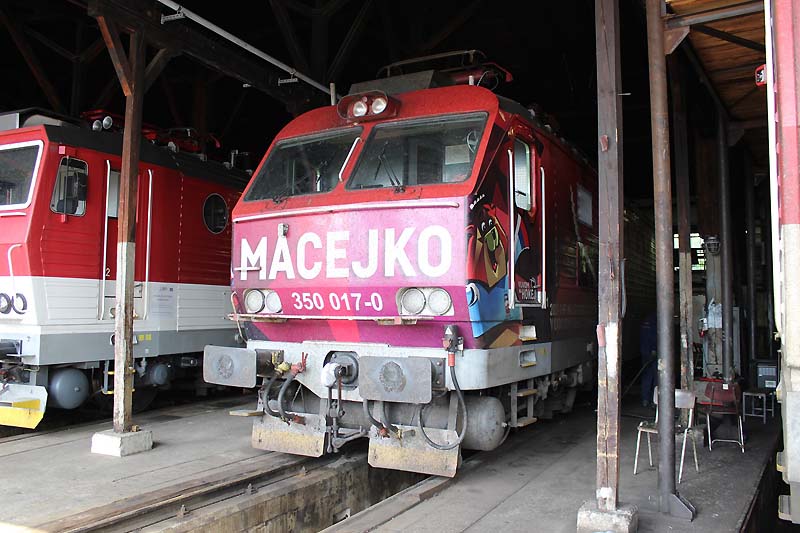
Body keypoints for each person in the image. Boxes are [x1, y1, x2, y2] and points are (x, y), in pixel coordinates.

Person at [640, 312, 658, 407]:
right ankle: (653, 401)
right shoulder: (655, 321)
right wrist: (654, 349)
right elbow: (654, 336)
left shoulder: (645, 322)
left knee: (647, 376)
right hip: (652, 354)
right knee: (655, 377)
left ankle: (645, 399)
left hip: (645, 353)